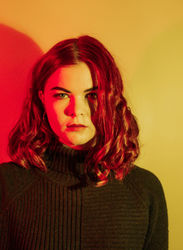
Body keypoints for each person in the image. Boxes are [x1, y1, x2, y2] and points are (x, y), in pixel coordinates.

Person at [0, 35, 168, 249]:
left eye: (92, 95)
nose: (76, 110)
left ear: (112, 99)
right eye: (61, 95)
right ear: (42, 98)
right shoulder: (7, 185)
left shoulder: (145, 190)